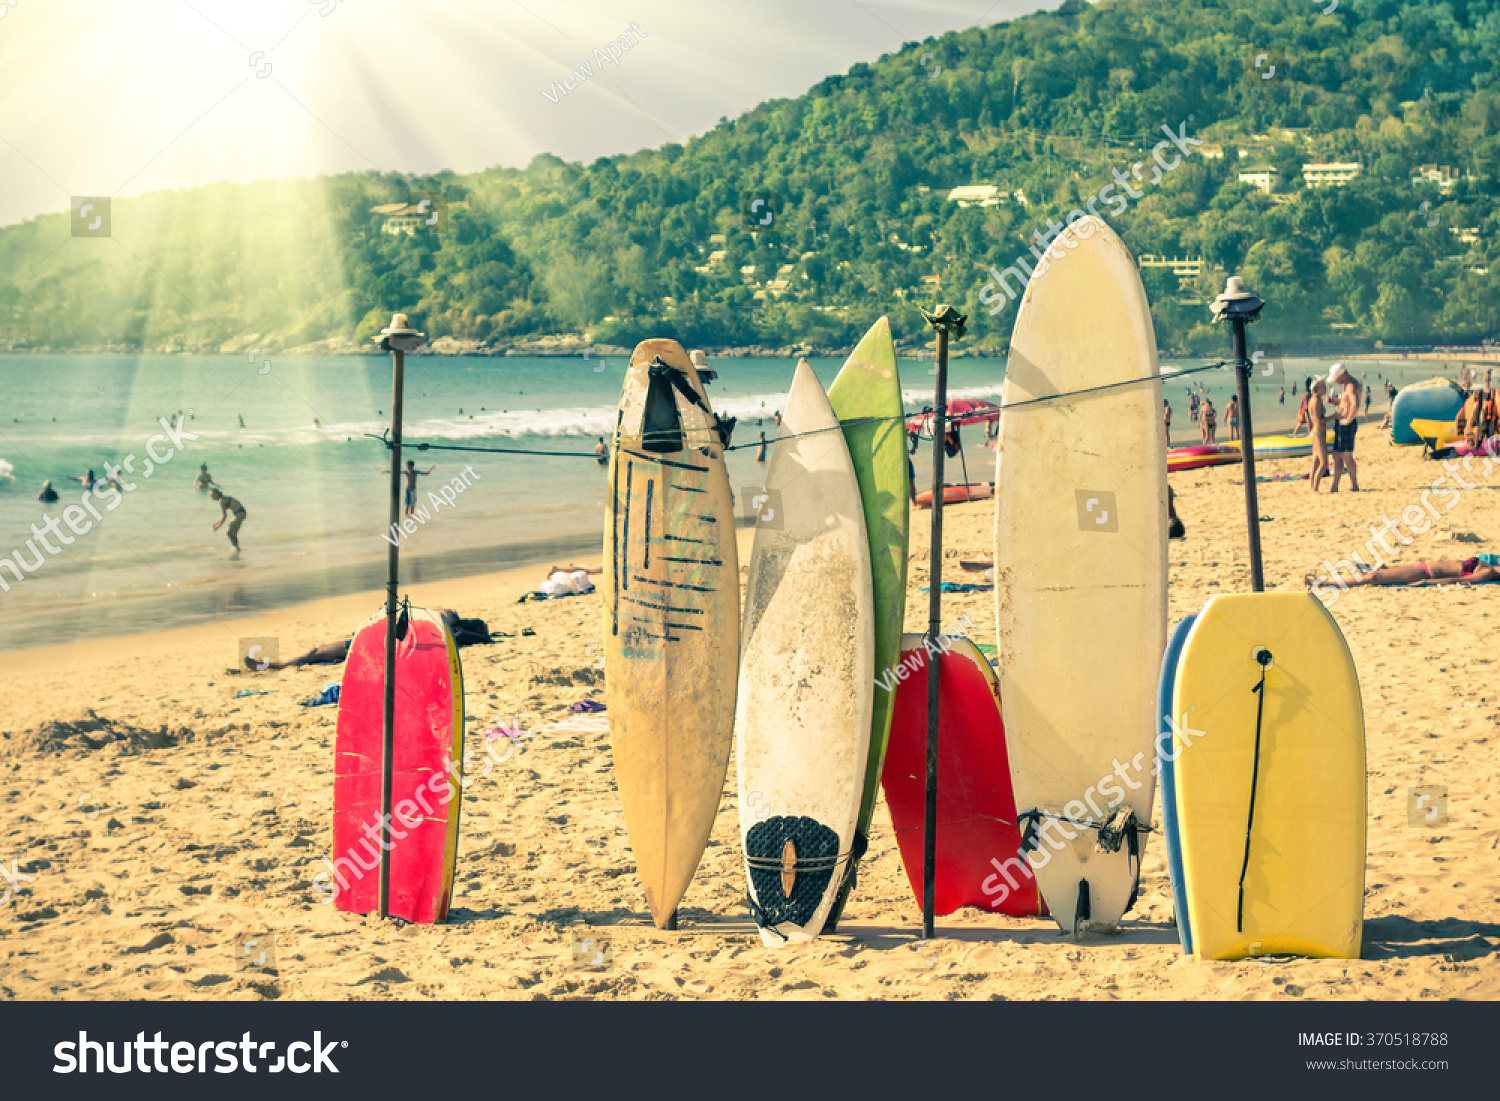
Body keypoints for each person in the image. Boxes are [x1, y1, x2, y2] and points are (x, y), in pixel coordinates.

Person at [1314, 555, 1500, 589]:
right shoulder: (1490, 565)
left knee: (1374, 578)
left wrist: (1426, 584)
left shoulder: (1489, 574)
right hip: (1423, 567)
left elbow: (1456, 581)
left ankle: (1328, 584)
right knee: (1380, 573)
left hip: (1425, 575)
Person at [1328, 363, 1361, 492]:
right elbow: (1346, 402)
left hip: (1346, 425)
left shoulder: (1351, 385)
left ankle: (1354, 485)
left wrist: (1348, 420)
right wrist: (1335, 401)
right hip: (1340, 423)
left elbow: (1355, 404)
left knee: (1346, 455)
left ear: (1341, 375)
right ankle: (1334, 486)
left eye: (1336, 378)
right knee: (1336, 455)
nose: (1336, 381)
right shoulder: (1346, 385)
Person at [1307, 378, 1329, 492]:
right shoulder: (1315, 401)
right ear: (1317, 388)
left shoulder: (1317, 399)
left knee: (1315, 462)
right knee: (1324, 462)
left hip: (1317, 433)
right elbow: (1317, 420)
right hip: (1318, 433)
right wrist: (1334, 416)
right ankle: (1315, 489)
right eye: (1323, 386)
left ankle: (1312, 488)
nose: (1325, 388)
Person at [209, 488, 247, 554]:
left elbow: (224, 516)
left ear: (217, 494)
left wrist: (217, 526)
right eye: (210, 495)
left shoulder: (221, 500)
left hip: (239, 513)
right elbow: (223, 516)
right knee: (233, 533)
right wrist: (216, 523)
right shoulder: (223, 499)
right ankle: (237, 548)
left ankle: (236, 548)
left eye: (212, 495)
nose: (211, 497)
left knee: (229, 532)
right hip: (241, 512)